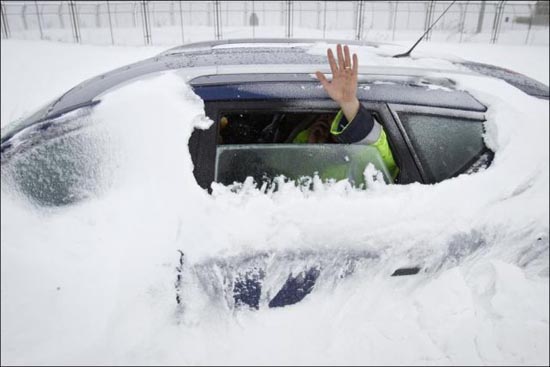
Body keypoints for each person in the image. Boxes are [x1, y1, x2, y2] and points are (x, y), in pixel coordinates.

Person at [294, 44, 399, 181]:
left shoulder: (361, 166)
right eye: (323, 115)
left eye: (336, 116)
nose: (327, 119)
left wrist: (348, 103)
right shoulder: (302, 141)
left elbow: (381, 162)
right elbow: (283, 169)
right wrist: (311, 150)